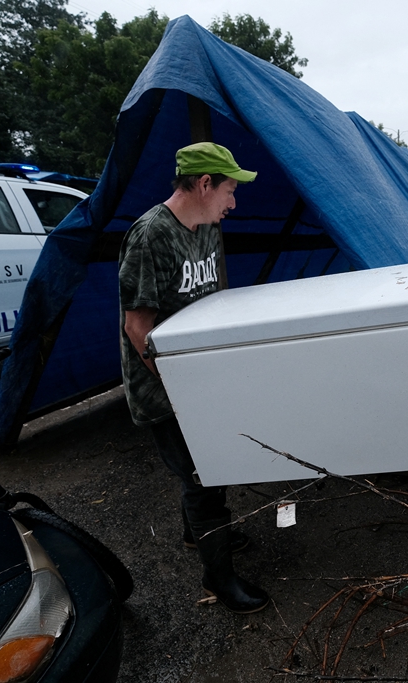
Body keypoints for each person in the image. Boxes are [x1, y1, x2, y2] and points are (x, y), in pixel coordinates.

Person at [118, 142, 269, 614]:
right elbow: (137, 326)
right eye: (229, 189)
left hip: (198, 378)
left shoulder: (205, 228)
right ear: (203, 184)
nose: (234, 201)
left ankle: (193, 533)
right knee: (203, 475)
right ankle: (219, 579)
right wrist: (180, 387)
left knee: (200, 469)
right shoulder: (150, 237)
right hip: (163, 388)